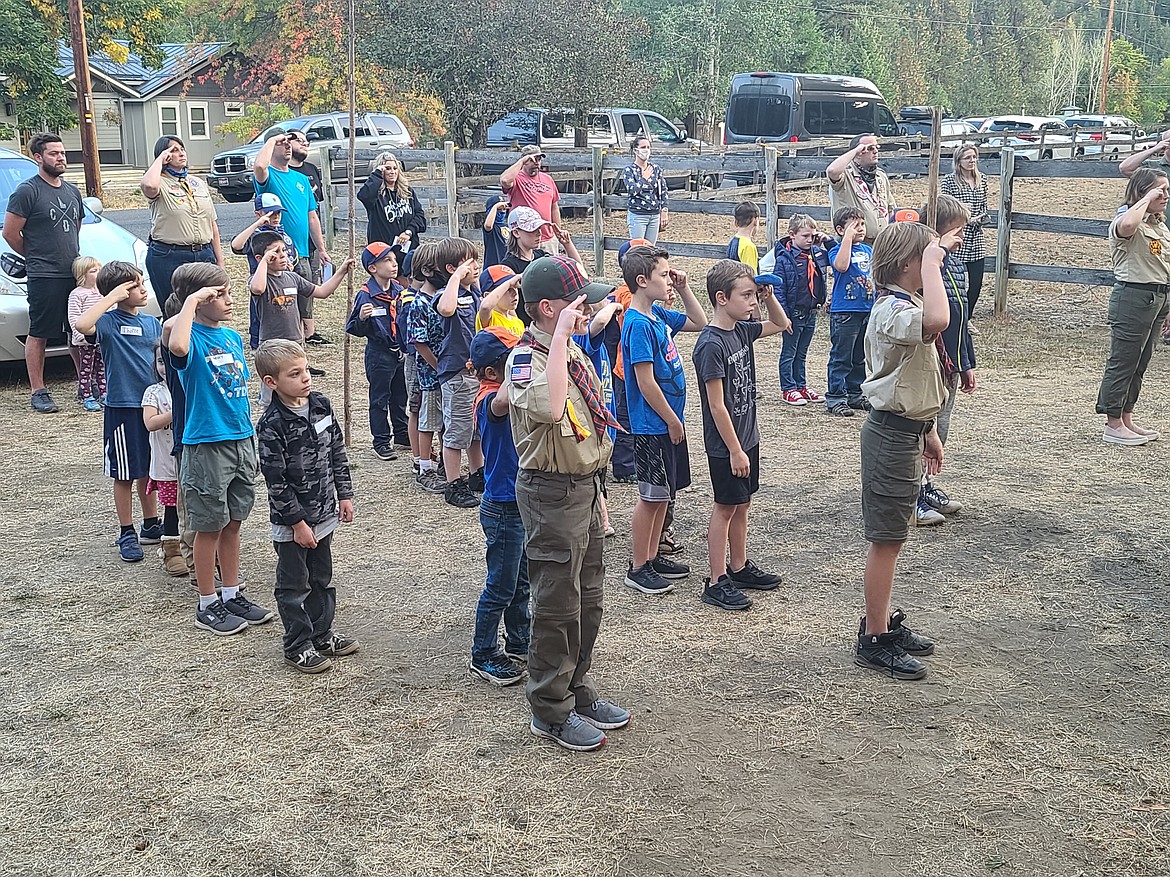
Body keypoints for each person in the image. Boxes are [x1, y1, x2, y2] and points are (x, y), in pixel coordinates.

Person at [505, 255, 628, 752]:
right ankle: (550, 709)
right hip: (550, 491)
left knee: (589, 598)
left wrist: (599, 498)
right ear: (549, 308)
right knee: (557, 602)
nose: (588, 310)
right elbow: (553, 408)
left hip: (584, 487)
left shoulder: (571, 353)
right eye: (578, 303)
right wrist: (557, 340)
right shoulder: (525, 360)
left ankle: (576, 688)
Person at [855, 222, 949, 681]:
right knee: (886, 541)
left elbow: (913, 378)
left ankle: (879, 621)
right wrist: (934, 264)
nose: (937, 261)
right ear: (906, 264)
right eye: (927, 256)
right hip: (889, 436)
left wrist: (928, 429)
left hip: (906, 431)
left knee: (894, 537)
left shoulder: (903, 304)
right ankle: (874, 639)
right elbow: (938, 321)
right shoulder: (892, 309)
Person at [167, 262, 275, 635]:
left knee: (233, 522)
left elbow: (239, 391)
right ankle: (208, 603)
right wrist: (193, 301)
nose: (230, 301)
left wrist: (251, 439)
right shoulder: (185, 336)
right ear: (196, 301)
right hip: (205, 444)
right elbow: (176, 344)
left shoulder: (229, 337)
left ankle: (231, 593)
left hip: (240, 439)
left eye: (229, 292)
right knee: (208, 526)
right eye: (219, 295)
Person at [692, 260, 790, 610]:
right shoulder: (711, 344)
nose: (753, 303)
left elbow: (781, 323)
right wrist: (734, 450)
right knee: (725, 506)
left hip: (748, 436)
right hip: (727, 444)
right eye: (746, 295)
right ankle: (716, 579)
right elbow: (716, 405)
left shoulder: (741, 330)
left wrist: (768, 296)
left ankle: (738, 565)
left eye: (754, 295)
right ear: (721, 298)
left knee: (743, 502)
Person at [256, 339, 357, 674]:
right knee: (294, 585)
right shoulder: (272, 425)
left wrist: (344, 494)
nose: (306, 378)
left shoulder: (321, 405)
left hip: (325, 512)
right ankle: (298, 644)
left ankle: (322, 633)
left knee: (321, 579)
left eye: (306, 370)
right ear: (272, 382)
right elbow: (276, 480)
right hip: (293, 525)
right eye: (295, 374)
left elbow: (337, 454)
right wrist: (297, 523)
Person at [620, 244, 708, 596]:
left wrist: (685, 288)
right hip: (652, 425)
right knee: (652, 496)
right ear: (642, 281)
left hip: (666, 422)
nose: (670, 281)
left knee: (665, 494)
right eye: (664, 276)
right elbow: (644, 381)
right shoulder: (638, 323)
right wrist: (672, 420)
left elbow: (700, 322)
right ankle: (638, 565)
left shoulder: (657, 316)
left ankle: (653, 555)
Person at [72, 260, 162, 563]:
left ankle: (151, 523)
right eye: (134, 286)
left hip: (151, 408)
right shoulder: (107, 322)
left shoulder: (152, 323)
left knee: (150, 470)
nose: (142, 289)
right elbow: (82, 326)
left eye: (141, 283)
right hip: (122, 408)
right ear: (119, 291)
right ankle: (126, 531)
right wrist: (110, 297)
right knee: (125, 472)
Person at [3, 133, 83, 413]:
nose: (60, 157)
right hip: (43, 274)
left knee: (77, 331)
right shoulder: (28, 191)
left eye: (62, 153)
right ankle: (39, 390)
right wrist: (35, 256)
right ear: (38, 158)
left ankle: (84, 385)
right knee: (40, 332)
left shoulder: (73, 191)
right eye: (53, 154)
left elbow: (75, 228)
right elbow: (10, 233)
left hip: (73, 272)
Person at [468, 326, 530, 686]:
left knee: (521, 581)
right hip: (503, 507)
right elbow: (503, 402)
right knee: (501, 587)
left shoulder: (501, 386)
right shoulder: (488, 398)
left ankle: (520, 639)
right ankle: (484, 653)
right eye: (512, 361)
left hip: (518, 503)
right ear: (492, 372)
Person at [1096, 167, 1170, 446]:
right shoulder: (1127, 218)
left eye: (1166, 190)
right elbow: (1127, 227)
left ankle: (1126, 417)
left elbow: (1164, 264)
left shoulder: (1157, 223)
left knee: (1140, 362)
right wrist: (1144, 198)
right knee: (1123, 361)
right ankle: (1112, 423)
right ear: (1143, 192)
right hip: (1133, 297)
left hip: (1157, 296)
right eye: (1159, 190)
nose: (1165, 195)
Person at [916, 194, 977, 525]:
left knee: (942, 422)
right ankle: (910, 491)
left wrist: (966, 362)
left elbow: (961, 317)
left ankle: (926, 483)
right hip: (929, 359)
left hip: (951, 363)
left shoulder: (956, 265)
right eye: (957, 230)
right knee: (921, 424)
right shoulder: (924, 267)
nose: (962, 237)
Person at [248, 231, 353, 404]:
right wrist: (265, 261)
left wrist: (341, 271)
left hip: (295, 342)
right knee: (271, 395)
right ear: (261, 258)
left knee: (295, 389)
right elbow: (258, 289)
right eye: (276, 252)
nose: (283, 255)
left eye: (284, 250)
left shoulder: (293, 278)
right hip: (271, 346)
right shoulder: (258, 279)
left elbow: (322, 292)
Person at [140, 136, 224, 310]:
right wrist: (160, 160)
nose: (180, 153)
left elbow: (212, 224)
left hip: (203, 253)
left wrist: (220, 262)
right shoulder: (159, 182)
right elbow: (149, 186)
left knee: (207, 308)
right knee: (174, 310)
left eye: (182, 149)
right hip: (169, 255)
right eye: (174, 150)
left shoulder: (198, 184)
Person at [432, 238, 485, 508]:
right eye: (468, 262)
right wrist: (455, 278)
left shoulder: (473, 293)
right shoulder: (446, 294)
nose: (475, 266)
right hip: (457, 374)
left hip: (475, 372)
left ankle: (478, 474)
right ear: (452, 268)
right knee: (457, 430)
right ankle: (454, 483)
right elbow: (446, 309)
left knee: (475, 429)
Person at [346, 242, 409, 460]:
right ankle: (381, 440)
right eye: (387, 260)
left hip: (399, 352)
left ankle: (402, 433)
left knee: (401, 395)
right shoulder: (366, 295)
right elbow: (354, 328)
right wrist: (362, 318)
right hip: (379, 353)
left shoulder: (399, 291)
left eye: (394, 259)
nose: (394, 264)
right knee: (380, 398)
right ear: (373, 268)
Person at [758, 214, 830, 406]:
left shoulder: (817, 254)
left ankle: (801, 385)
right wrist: (784, 316)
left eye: (813, 236)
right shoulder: (784, 259)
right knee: (789, 351)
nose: (810, 240)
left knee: (802, 352)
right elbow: (779, 289)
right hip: (794, 312)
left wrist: (827, 241)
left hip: (811, 310)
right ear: (792, 235)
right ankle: (788, 388)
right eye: (805, 236)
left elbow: (834, 258)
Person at [573, 295, 624, 537]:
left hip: (605, 414)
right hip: (594, 420)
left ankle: (601, 520)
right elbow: (600, 322)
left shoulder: (597, 337)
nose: (608, 299)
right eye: (602, 298)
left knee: (599, 474)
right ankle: (600, 522)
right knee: (595, 476)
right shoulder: (584, 334)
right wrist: (613, 306)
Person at [404, 242, 448, 493]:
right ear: (429, 270)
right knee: (427, 421)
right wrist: (439, 366)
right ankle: (425, 467)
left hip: (444, 374)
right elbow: (419, 342)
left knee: (444, 422)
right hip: (429, 376)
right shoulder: (419, 303)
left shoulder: (444, 298)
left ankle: (443, 461)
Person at [824, 207, 875, 417]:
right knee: (841, 357)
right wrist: (846, 239)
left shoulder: (867, 250)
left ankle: (855, 394)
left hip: (866, 309)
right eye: (855, 226)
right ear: (840, 230)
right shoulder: (837, 250)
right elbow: (842, 266)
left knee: (858, 357)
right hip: (845, 311)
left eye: (862, 224)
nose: (860, 229)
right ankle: (836, 397)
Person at [233, 193, 299, 351]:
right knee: (260, 316)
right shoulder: (256, 236)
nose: (275, 217)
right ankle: (259, 346)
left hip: (282, 283)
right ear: (259, 213)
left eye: (278, 213)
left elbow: (292, 255)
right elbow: (236, 246)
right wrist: (257, 224)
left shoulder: (283, 235)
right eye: (270, 213)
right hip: (262, 285)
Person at [142, 341, 185, 577]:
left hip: (192, 462)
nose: (164, 366)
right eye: (160, 361)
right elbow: (150, 423)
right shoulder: (154, 393)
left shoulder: (191, 385)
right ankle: (171, 550)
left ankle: (194, 549)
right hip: (167, 464)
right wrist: (177, 410)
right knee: (171, 508)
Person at [501, 208, 583, 322]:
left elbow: (577, 271)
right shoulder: (508, 266)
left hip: (548, 321)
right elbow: (507, 304)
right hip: (527, 326)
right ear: (516, 232)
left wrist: (567, 244)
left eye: (539, 228)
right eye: (532, 229)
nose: (539, 233)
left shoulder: (542, 255)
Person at [940, 145, 989, 328]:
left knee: (976, 282)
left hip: (976, 237)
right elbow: (945, 207)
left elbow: (984, 205)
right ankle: (954, 317)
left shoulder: (982, 179)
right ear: (958, 161)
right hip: (957, 235)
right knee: (954, 281)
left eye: (974, 157)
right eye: (967, 158)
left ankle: (966, 317)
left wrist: (981, 218)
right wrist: (965, 220)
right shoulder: (949, 181)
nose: (972, 161)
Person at [357, 152, 427, 274]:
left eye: (395, 168)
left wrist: (408, 232)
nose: (392, 172)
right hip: (385, 251)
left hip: (408, 248)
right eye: (387, 168)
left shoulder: (407, 192)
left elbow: (420, 217)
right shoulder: (375, 196)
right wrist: (377, 174)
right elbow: (363, 195)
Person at [827, 133, 897, 244]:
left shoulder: (880, 176)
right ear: (858, 153)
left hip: (881, 242)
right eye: (869, 148)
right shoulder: (846, 176)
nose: (875, 151)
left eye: (876, 147)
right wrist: (856, 150)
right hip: (854, 243)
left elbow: (890, 208)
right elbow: (832, 170)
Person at [500, 146, 561, 250]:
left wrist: (557, 232)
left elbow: (554, 207)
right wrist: (522, 161)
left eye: (539, 159)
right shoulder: (517, 179)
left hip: (548, 240)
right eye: (532, 160)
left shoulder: (548, 179)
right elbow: (505, 180)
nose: (537, 162)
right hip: (525, 240)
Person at [67, 256, 105, 411]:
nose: (98, 273)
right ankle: (87, 395)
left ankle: (104, 393)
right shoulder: (77, 294)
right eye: (93, 271)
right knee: (86, 369)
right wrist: (79, 335)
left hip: (101, 339)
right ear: (83, 274)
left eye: (99, 269)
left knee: (102, 367)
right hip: (85, 340)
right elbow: (73, 316)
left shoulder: (103, 292)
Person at [622, 136, 669, 242]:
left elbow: (663, 191)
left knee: (651, 250)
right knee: (638, 249)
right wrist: (644, 178)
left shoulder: (655, 169)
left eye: (648, 147)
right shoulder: (629, 170)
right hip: (638, 215)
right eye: (643, 147)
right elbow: (632, 190)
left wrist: (664, 211)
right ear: (635, 150)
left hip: (654, 215)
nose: (646, 150)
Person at [476, 265, 525, 335]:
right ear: (487, 295)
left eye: (515, 287)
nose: (514, 293)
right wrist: (509, 283)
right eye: (508, 289)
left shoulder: (518, 323)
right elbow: (485, 307)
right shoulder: (491, 318)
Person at [726, 201, 761, 271]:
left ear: (735, 222)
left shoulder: (733, 241)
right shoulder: (748, 246)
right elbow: (751, 275)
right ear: (755, 221)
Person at [481, 193, 509, 268]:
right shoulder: (491, 228)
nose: (502, 211)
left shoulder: (508, 226)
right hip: (493, 266)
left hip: (507, 265)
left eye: (504, 209)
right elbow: (488, 225)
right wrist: (495, 207)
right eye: (499, 209)